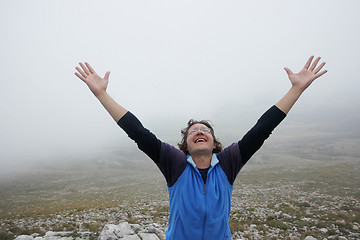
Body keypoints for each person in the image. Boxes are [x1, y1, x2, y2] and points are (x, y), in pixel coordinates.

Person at [75, 56, 327, 240]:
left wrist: (296, 89)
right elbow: (138, 133)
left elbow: (262, 129)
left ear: (215, 143)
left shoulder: (229, 163)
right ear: (185, 146)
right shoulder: (175, 164)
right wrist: (102, 95)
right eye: (193, 130)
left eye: (205, 130)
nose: (199, 131)